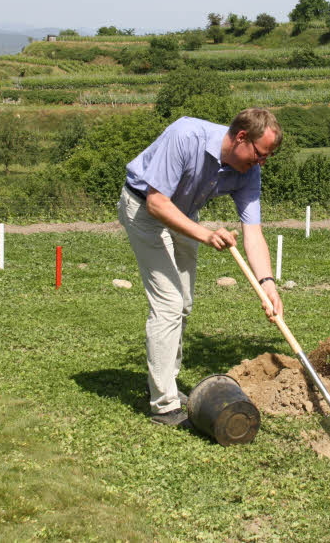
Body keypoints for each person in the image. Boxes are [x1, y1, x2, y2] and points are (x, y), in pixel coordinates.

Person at [118, 108, 284, 426]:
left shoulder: (249, 171)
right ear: (240, 138)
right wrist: (207, 236)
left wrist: (268, 284)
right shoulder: (185, 136)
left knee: (184, 303)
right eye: (260, 155)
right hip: (144, 207)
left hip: (183, 213)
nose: (261, 163)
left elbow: (253, 232)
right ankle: (164, 405)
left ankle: (167, 383)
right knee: (168, 303)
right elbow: (156, 202)